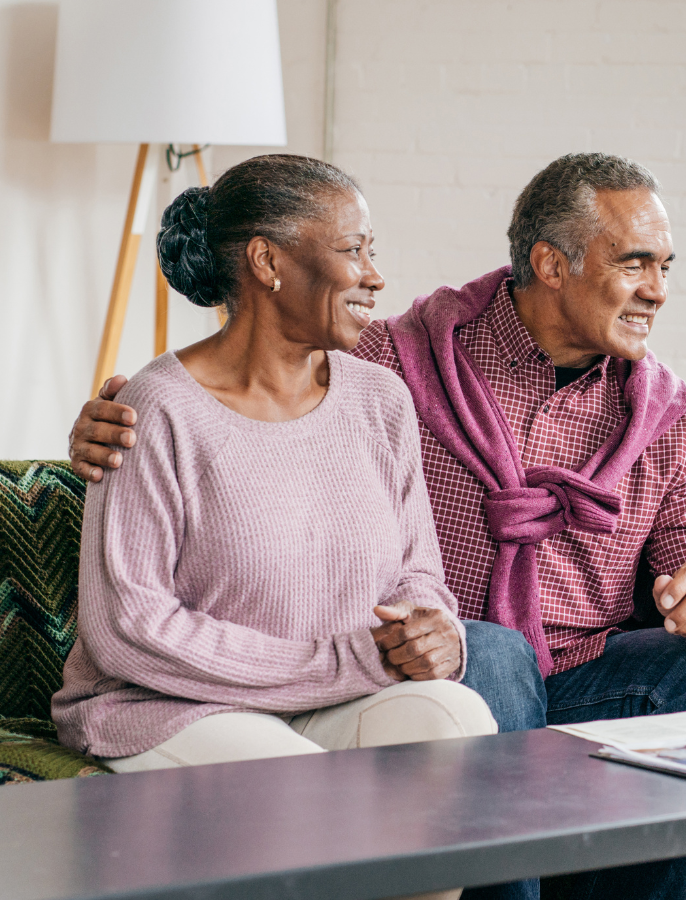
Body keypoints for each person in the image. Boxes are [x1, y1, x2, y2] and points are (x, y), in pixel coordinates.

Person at [67, 153, 686, 900]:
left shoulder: (660, 415)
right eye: (636, 265)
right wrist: (103, 423)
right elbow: (254, 378)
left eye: (665, 266)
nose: (658, 291)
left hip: (579, 683)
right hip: (460, 672)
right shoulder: (403, 357)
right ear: (551, 265)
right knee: (492, 655)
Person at [53, 156, 496, 900]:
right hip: (172, 709)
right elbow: (130, 627)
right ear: (267, 260)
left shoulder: (380, 399)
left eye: (372, 251)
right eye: (353, 249)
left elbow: (417, 571)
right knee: (304, 791)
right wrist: (338, 662)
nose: (375, 275)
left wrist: (435, 628)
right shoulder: (154, 411)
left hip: (333, 697)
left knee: (457, 725)